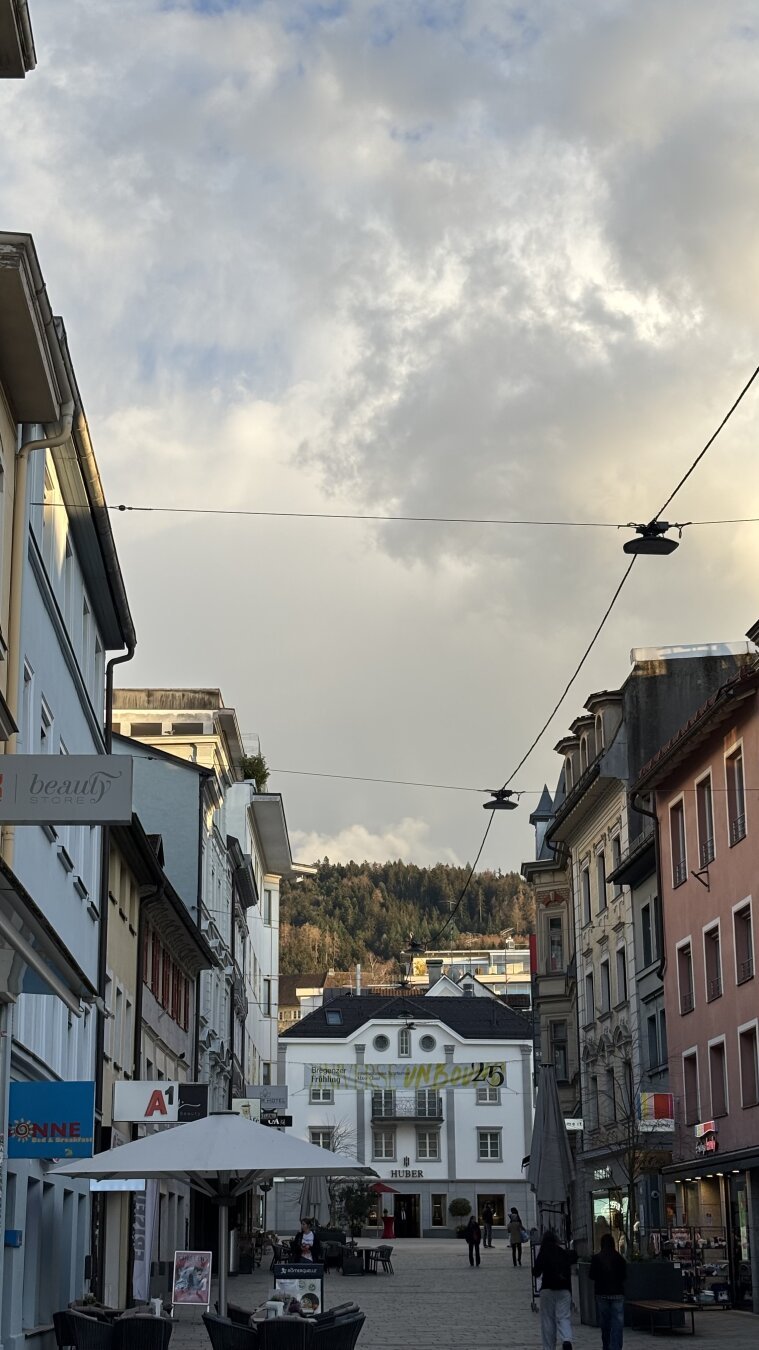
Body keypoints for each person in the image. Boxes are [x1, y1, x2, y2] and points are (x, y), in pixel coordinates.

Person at [533, 1230, 577, 1350]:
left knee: (548, 1320)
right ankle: (567, 1339)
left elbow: (536, 1272)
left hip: (547, 1289)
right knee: (564, 1317)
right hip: (564, 1290)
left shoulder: (543, 1252)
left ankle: (549, 1347)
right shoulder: (562, 1252)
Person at [589, 1233, 626, 1350]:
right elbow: (624, 1276)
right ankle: (615, 1347)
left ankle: (606, 1345)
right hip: (617, 1294)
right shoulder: (619, 1258)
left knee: (605, 1324)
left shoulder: (596, 1258)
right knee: (617, 1324)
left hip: (602, 1293)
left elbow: (591, 1275)